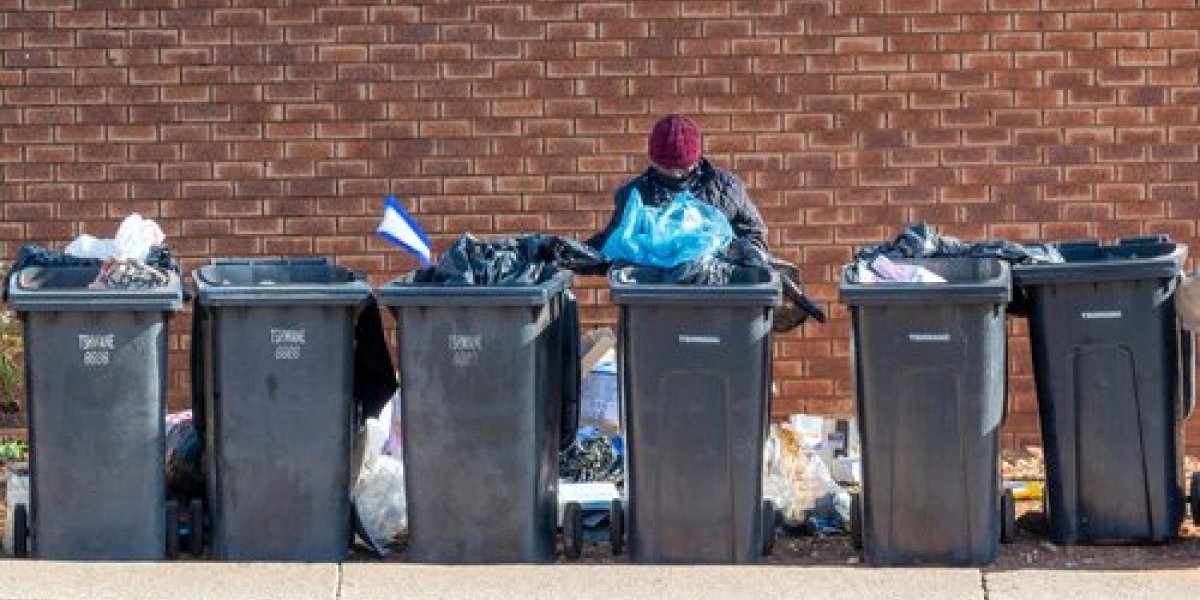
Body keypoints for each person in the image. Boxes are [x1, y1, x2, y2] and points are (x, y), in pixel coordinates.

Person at [587, 113, 768, 251]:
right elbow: (612, 245)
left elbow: (755, 235)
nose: (675, 175)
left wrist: (720, 250)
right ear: (653, 161)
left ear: (696, 159)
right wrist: (574, 254)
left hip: (718, 291)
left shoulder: (727, 189)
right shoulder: (635, 196)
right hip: (654, 294)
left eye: (682, 168)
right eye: (666, 168)